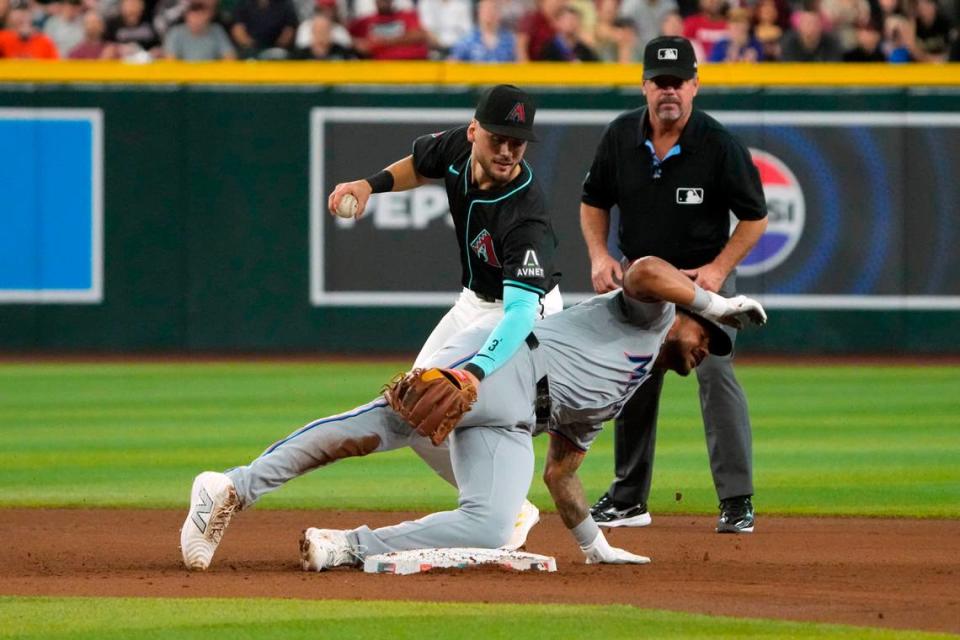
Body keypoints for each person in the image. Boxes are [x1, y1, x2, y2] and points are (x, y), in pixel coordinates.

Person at [179, 256, 767, 571]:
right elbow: (642, 271)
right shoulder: (652, 316)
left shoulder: (624, 390)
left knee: (493, 527)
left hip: (516, 426)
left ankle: (346, 547)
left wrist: (593, 544)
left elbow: (560, 473)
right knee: (378, 427)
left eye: (716, 347)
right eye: (710, 335)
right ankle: (230, 489)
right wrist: (712, 300)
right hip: (503, 366)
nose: (707, 347)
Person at [328, 84, 563, 551]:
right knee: (411, 406)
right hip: (473, 302)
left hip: (524, 308)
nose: (507, 150)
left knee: (441, 403)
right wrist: (368, 184)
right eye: (498, 137)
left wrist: (474, 371)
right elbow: (420, 166)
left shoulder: (525, 209)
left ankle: (497, 509)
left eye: (518, 141)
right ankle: (508, 507)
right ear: (475, 131)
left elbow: (518, 314)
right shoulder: (458, 146)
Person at [580, 36, 768, 534]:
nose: (670, 92)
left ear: (695, 86)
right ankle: (628, 498)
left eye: (679, 82)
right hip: (643, 284)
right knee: (635, 373)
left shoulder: (718, 143)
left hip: (702, 283)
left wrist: (719, 270)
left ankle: (736, 499)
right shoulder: (621, 137)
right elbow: (593, 199)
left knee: (715, 375)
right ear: (644, 86)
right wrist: (599, 255)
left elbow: (755, 217)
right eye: (660, 82)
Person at [348, 0, 429, 59]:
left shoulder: (407, 15)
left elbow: (419, 35)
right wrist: (360, 45)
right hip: (380, 69)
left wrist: (382, 42)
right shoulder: (365, 21)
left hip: (413, 65)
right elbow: (348, 38)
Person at [448, 0, 517, 62]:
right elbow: (453, 64)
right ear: (479, 13)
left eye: (494, 9)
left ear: (499, 13)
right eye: (486, 10)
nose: (490, 14)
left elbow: (519, 65)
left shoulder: (510, 40)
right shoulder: (467, 40)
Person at [163, 1, 236, 59]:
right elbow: (170, 60)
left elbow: (230, 57)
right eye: (193, 17)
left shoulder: (217, 30)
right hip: (183, 76)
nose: (196, 21)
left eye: (199, 16)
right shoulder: (175, 32)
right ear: (186, 17)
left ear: (208, 16)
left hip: (210, 75)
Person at [230, 0, 299, 58]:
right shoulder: (243, 3)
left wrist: (276, 48)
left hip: (278, 49)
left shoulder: (285, 3)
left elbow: (289, 30)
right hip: (250, 49)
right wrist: (252, 47)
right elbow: (238, 30)